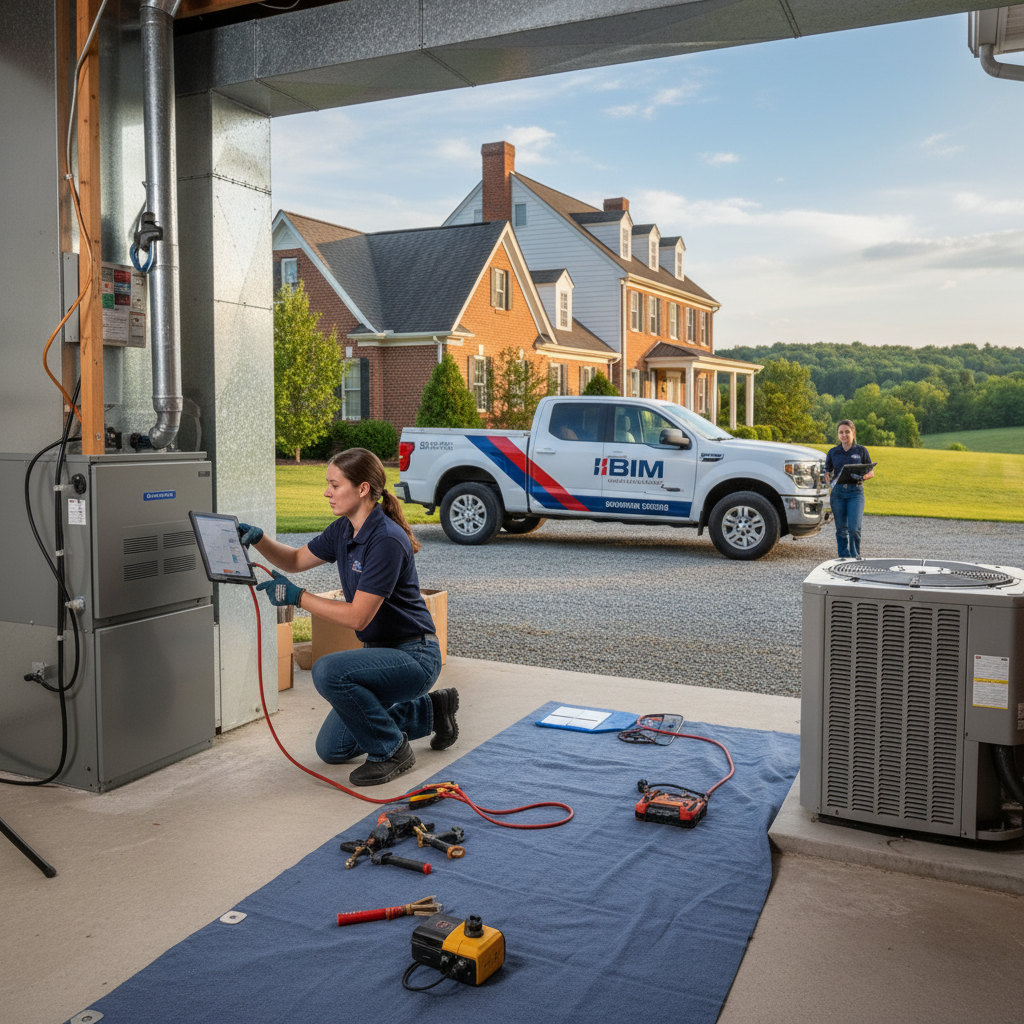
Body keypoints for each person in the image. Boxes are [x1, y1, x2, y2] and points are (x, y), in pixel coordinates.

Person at [239, 448, 457, 787]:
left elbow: (358, 617)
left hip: (414, 656)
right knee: (333, 748)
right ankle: (431, 711)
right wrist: (260, 540)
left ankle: (392, 751)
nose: (327, 492)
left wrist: (299, 597)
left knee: (327, 670)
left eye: (334, 485)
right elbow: (295, 560)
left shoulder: (385, 540)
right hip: (380, 656)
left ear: (363, 489)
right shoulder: (344, 530)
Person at [824, 420, 874, 559]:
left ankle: (854, 557)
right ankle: (843, 557)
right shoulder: (833, 452)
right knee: (841, 530)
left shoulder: (861, 451)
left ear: (853, 433)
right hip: (838, 493)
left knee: (854, 529)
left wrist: (862, 477)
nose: (844, 435)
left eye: (847, 432)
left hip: (855, 493)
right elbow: (827, 472)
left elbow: (871, 472)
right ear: (838, 434)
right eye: (841, 432)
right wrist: (827, 477)